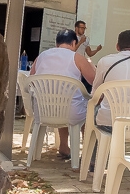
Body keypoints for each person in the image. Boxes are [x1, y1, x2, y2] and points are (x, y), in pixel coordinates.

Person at [29, 29, 97, 158]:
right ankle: (87, 151)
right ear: (74, 43)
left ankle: (64, 146)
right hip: (69, 112)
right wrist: (91, 65)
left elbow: (31, 79)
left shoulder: (41, 56)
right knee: (85, 107)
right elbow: (94, 80)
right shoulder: (77, 58)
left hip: (42, 111)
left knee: (62, 101)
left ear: (57, 43)